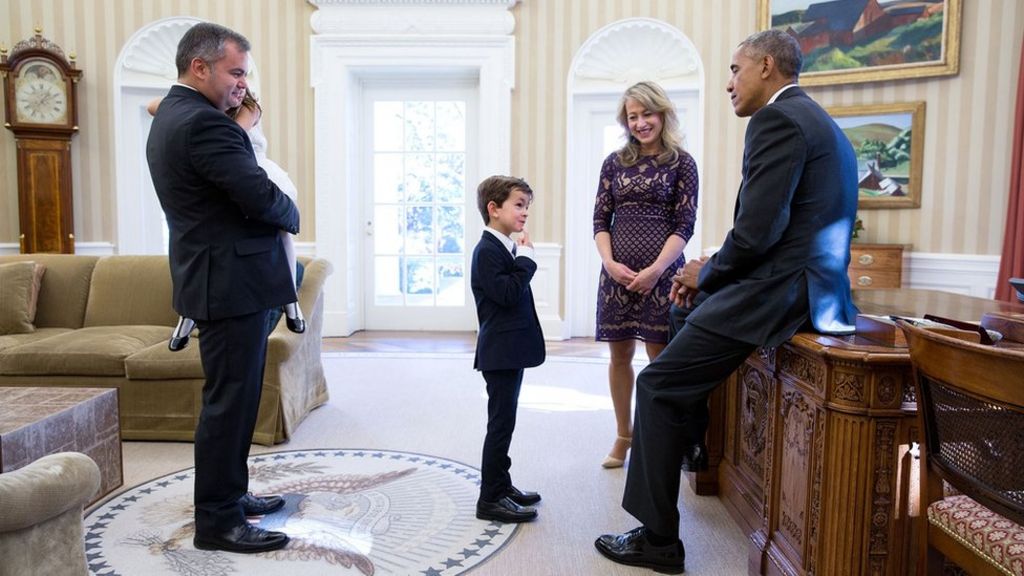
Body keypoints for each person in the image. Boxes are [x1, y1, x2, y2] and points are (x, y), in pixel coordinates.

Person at [595, 29, 859, 574]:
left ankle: (659, 539)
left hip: (781, 292)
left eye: (735, 70)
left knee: (657, 383)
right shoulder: (820, 121)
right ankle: (694, 445)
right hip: (807, 286)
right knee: (680, 307)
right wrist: (701, 275)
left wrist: (706, 269)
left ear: (766, 66)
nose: (729, 84)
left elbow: (759, 229)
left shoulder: (777, 120)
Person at [146, 22, 299, 554]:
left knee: (233, 400)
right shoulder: (206, 126)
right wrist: (293, 211)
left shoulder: (172, 113)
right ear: (200, 67)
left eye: (245, 74)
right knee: (229, 405)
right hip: (230, 285)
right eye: (236, 73)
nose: (242, 84)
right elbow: (259, 195)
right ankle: (218, 522)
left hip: (219, 279)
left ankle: (231, 496)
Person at [149, 89, 306, 352]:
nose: (237, 86)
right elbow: (153, 106)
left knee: (281, 234)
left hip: (255, 172)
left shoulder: (249, 106)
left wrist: (202, 116)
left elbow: (233, 138)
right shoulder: (199, 113)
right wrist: (190, 106)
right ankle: (187, 318)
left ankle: (291, 303)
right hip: (222, 174)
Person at [593, 81, 698, 468]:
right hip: (616, 277)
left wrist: (656, 271)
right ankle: (624, 436)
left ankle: (658, 440)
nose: (640, 123)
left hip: (662, 277)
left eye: (646, 114)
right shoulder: (613, 162)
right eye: (632, 117)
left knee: (660, 359)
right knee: (619, 355)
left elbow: (684, 225)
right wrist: (608, 262)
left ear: (663, 114)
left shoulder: (682, 163)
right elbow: (600, 219)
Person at [470, 175, 546, 523]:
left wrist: (521, 256)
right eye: (518, 204)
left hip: (508, 350)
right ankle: (490, 499)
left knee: (507, 420)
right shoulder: (486, 250)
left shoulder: (503, 246)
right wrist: (527, 260)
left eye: (526, 206)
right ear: (493, 208)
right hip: (498, 352)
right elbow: (507, 294)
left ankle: (502, 483)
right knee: (500, 424)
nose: (525, 212)